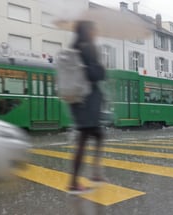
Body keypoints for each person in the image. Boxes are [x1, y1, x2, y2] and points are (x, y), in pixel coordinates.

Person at [68, 20, 106, 194]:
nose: (95, 31)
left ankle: (95, 172)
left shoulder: (74, 46)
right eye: (93, 29)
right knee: (85, 139)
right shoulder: (88, 47)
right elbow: (95, 74)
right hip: (88, 100)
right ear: (87, 31)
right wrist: (100, 67)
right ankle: (74, 182)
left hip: (78, 100)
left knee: (97, 135)